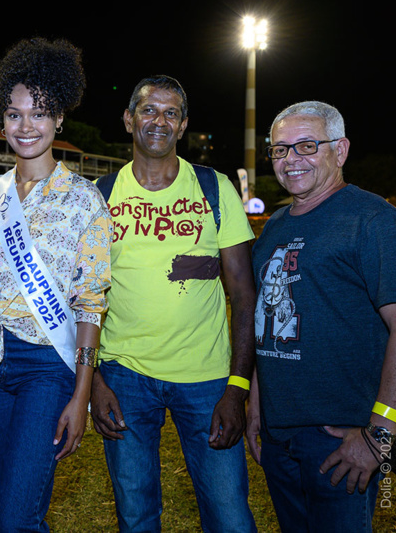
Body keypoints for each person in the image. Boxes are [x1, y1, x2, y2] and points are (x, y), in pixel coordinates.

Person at [0, 37, 113, 532]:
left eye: (39, 113)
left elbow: (90, 306)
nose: (27, 126)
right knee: (2, 507)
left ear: (59, 118)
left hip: (46, 367)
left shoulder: (86, 201)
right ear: (2, 120)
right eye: (15, 114)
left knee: (16, 514)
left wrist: (81, 394)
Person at [90, 75, 257, 532]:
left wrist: (237, 387)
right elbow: (82, 299)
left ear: (183, 126)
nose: (158, 121)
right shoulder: (99, 196)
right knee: (136, 515)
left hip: (206, 378)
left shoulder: (214, 187)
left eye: (170, 113)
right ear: (128, 119)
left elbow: (243, 293)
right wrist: (95, 381)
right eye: (148, 110)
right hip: (124, 375)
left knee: (230, 516)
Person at [247, 101, 396, 531]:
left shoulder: (374, 219)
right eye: (280, 150)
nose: (291, 160)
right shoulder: (275, 227)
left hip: (341, 438)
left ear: (340, 150)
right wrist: (256, 406)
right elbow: (264, 319)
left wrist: (381, 435)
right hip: (278, 435)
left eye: (306, 146)